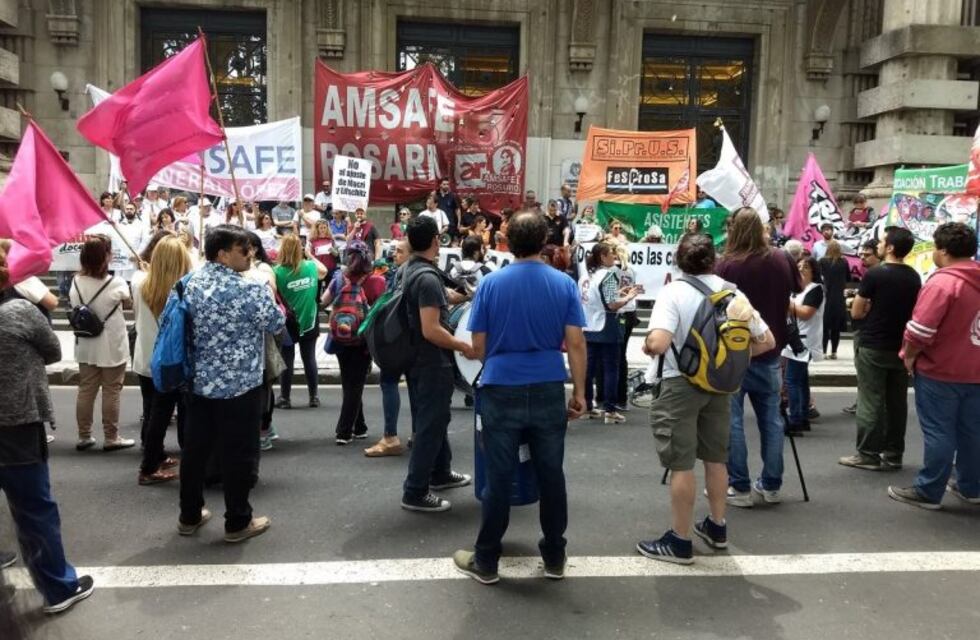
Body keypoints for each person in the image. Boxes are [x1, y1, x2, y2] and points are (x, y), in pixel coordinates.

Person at [452, 211, 587, 584]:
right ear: (544, 240)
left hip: (500, 388)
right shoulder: (563, 284)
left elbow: (477, 346)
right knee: (551, 475)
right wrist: (579, 391)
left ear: (507, 241)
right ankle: (555, 557)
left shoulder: (492, 285)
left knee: (498, 477)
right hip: (547, 386)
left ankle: (487, 560)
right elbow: (575, 342)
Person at [636, 233, 774, 564]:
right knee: (716, 458)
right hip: (719, 386)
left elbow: (657, 342)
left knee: (681, 463)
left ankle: (680, 540)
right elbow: (766, 341)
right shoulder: (733, 293)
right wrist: (722, 361)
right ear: (714, 259)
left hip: (679, 385)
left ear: (679, 260)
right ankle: (717, 526)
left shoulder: (673, 292)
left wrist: (647, 346)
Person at [0, 243, 96, 614]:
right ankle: (58, 588)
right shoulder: (20, 311)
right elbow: (54, 351)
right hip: (15, 423)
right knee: (33, 508)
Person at [177, 225, 284, 542]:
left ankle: (189, 515)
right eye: (243, 249)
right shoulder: (251, 289)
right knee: (238, 454)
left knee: (195, 452)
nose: (251, 253)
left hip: (198, 383)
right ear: (222, 254)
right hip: (240, 386)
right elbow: (277, 322)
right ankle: (237, 521)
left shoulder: (188, 283)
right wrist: (268, 288)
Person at [888, 222, 980, 509]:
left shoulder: (942, 282)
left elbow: (919, 331)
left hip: (941, 370)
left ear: (942, 250)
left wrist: (910, 355)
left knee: (939, 432)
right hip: (975, 372)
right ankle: (971, 486)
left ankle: (929, 490)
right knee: (972, 432)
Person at [715, 207, 801, 507]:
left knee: (733, 420)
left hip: (735, 352)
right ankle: (772, 484)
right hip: (770, 349)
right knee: (772, 419)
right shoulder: (781, 258)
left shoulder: (726, 265)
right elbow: (795, 290)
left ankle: (739, 487)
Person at [399, 215, 477, 513]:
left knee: (434, 418)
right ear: (436, 241)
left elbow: (440, 296)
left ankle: (440, 472)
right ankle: (415, 490)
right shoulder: (428, 277)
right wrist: (462, 346)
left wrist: (462, 296)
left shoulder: (411, 269)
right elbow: (431, 328)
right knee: (431, 424)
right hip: (431, 360)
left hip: (415, 359)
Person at [839, 226, 920, 471]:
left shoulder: (875, 275)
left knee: (871, 400)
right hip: (900, 344)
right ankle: (894, 452)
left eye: (883, 241)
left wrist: (864, 306)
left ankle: (868, 453)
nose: (879, 245)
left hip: (874, 343)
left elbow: (856, 310)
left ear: (891, 247)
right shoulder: (913, 276)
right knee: (896, 402)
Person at [131, 236, 191, 485]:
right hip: (171, 362)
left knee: (152, 411)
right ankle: (149, 466)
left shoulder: (138, 283)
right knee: (170, 413)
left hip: (145, 358)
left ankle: (155, 455)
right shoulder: (183, 288)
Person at [70, 236, 135, 452]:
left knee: (86, 389)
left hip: (86, 342)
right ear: (105, 256)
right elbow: (128, 302)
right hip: (111, 343)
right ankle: (111, 436)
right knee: (112, 390)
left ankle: (84, 435)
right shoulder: (115, 283)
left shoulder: (76, 281)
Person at [321, 241, 386, 444]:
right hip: (363, 341)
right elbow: (382, 310)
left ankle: (360, 426)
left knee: (348, 382)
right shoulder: (377, 281)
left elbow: (324, 301)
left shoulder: (339, 278)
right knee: (355, 384)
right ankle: (344, 431)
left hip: (341, 336)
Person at [581, 242, 641, 423]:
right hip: (606, 325)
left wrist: (619, 293)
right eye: (610, 255)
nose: (613, 258)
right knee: (611, 368)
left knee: (588, 368)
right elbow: (611, 304)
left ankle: (587, 406)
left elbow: (601, 297)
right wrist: (629, 296)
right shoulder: (608, 275)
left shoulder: (586, 276)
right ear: (602, 257)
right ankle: (610, 409)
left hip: (588, 324)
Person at [364, 238, 411, 458]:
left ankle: (391, 437)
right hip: (410, 342)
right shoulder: (414, 272)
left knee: (389, 382)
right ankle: (417, 433)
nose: (395, 255)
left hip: (399, 340)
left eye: (400, 251)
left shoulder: (405, 274)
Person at [274, 233, 328, 409]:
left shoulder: (277, 272)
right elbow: (325, 271)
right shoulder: (311, 267)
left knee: (287, 359)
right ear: (300, 249)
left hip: (288, 320)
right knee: (309, 358)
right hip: (309, 319)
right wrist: (310, 255)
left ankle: (285, 398)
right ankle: (314, 397)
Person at [242, 232, 281, 452]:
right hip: (252, 340)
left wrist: (253, 277)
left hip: (264, 337)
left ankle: (264, 429)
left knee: (264, 384)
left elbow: (271, 299)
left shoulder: (263, 270)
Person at [783, 256, 825, 435]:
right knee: (801, 380)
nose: (801, 269)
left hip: (804, 341)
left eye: (805, 267)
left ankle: (795, 419)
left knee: (792, 380)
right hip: (794, 339)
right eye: (798, 266)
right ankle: (803, 416)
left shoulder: (816, 290)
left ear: (813, 271)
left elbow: (806, 313)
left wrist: (786, 303)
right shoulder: (797, 291)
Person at [842, 240, 882, 415]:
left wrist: (855, 302)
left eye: (867, 255)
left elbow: (859, 311)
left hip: (866, 329)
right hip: (868, 329)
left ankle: (865, 405)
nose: (863, 258)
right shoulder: (872, 274)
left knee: (865, 371)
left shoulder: (875, 275)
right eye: (861, 255)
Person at [819, 240, 849, 359]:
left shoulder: (822, 261)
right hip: (839, 297)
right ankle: (834, 352)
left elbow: (818, 277)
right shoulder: (844, 262)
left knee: (825, 327)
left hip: (826, 296)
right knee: (835, 327)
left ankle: (824, 352)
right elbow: (848, 277)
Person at [308, 219, 340, 286]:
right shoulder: (313, 240)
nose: (323, 230)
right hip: (319, 269)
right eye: (321, 228)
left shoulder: (331, 239)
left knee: (329, 288)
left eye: (324, 227)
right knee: (318, 288)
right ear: (317, 229)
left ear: (327, 228)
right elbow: (310, 256)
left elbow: (337, 255)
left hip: (330, 268)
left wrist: (333, 250)